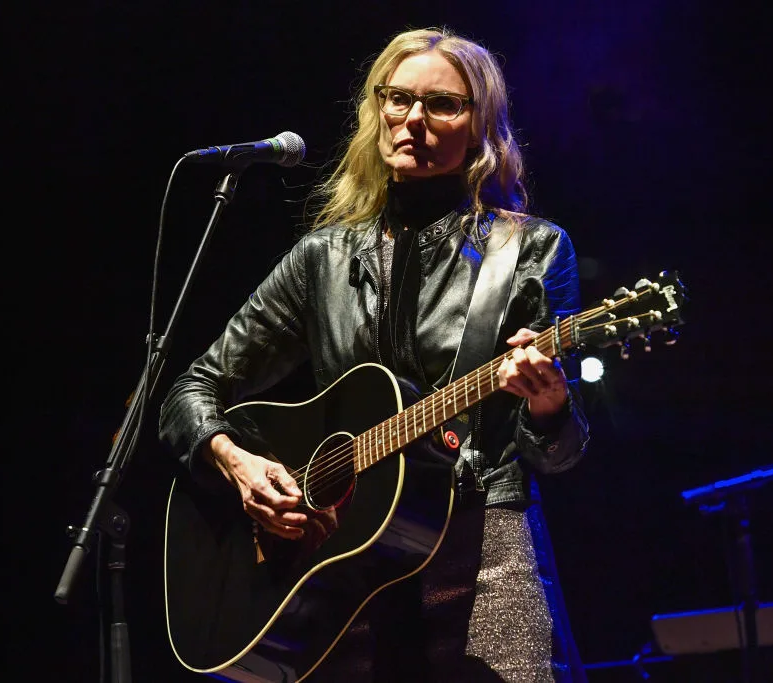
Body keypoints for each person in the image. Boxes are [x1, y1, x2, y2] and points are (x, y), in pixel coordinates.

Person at [159, 26, 591, 682]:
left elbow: (558, 453)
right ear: (377, 112)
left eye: (442, 104)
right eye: (397, 98)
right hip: (344, 571)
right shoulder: (322, 259)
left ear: (482, 128)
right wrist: (240, 463)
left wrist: (550, 405)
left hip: (484, 556)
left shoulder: (530, 251)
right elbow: (194, 388)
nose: (413, 118)